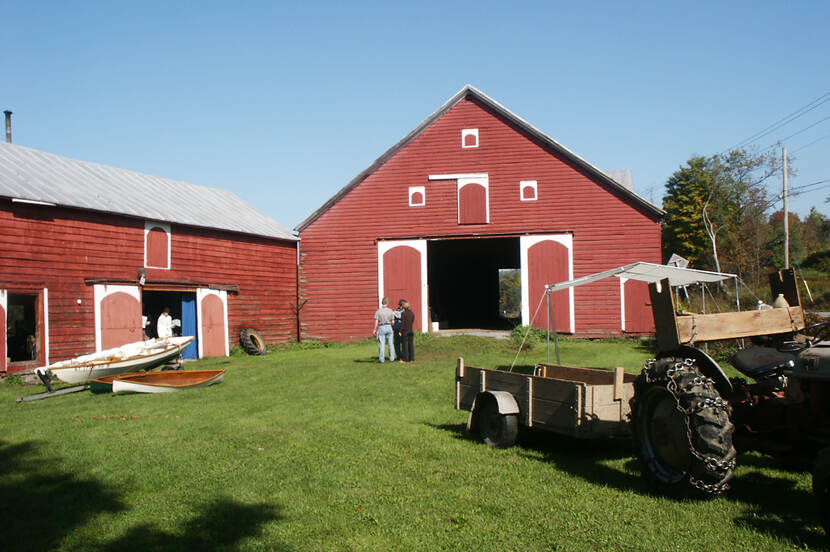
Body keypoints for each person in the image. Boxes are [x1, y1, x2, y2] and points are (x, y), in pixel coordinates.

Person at [372, 297, 396, 363]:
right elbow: (393, 322)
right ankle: (392, 358)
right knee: (391, 343)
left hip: (381, 327)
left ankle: (382, 359)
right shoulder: (390, 311)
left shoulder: (378, 311)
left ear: (382, 303)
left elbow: (376, 321)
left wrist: (374, 329)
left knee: (382, 344)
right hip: (389, 326)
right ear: (387, 303)